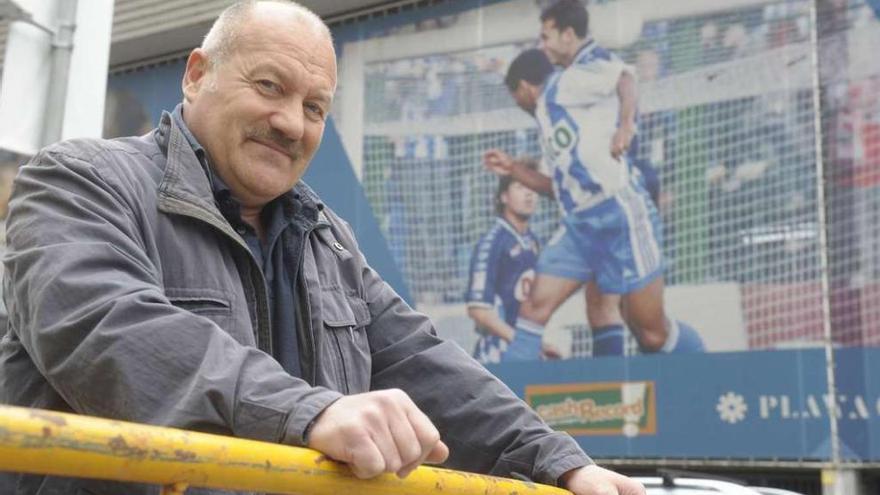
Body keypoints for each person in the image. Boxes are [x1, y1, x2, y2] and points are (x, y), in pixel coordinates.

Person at [0, 1, 644, 494]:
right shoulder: (79, 179)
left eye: (315, 107)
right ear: (197, 75)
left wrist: (562, 464)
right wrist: (310, 412)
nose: (291, 123)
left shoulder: (326, 238)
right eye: (270, 87)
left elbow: (424, 364)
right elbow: (105, 330)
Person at [484, 0, 705, 360]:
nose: (541, 45)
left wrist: (626, 126)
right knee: (533, 310)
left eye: (545, 36)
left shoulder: (571, 80)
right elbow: (557, 189)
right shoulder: (549, 114)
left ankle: (704, 371)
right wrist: (513, 170)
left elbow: (625, 77)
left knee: (650, 333)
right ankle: (507, 406)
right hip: (580, 225)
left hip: (617, 213)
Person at [465, 169, 553, 363]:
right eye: (520, 187)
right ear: (503, 196)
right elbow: (478, 309)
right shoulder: (492, 242)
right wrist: (521, 342)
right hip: (498, 354)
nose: (529, 193)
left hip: (527, 350)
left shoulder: (534, 242)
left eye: (532, 188)